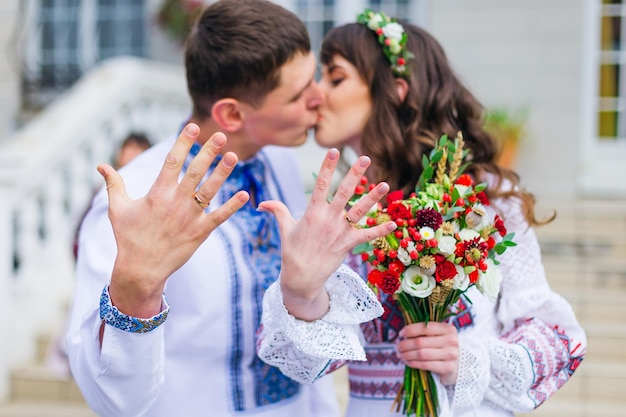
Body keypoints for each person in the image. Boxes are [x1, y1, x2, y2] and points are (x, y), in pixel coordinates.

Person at [65, 1, 396, 416]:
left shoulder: (279, 163)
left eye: (316, 78)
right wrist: (135, 290)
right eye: (298, 94)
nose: (319, 98)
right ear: (232, 113)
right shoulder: (133, 200)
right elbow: (112, 401)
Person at [258, 9, 587, 417]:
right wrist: (300, 294)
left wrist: (465, 358)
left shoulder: (484, 200)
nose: (316, 94)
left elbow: (557, 337)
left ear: (395, 89)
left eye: (335, 77)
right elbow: (303, 363)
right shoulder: (336, 218)